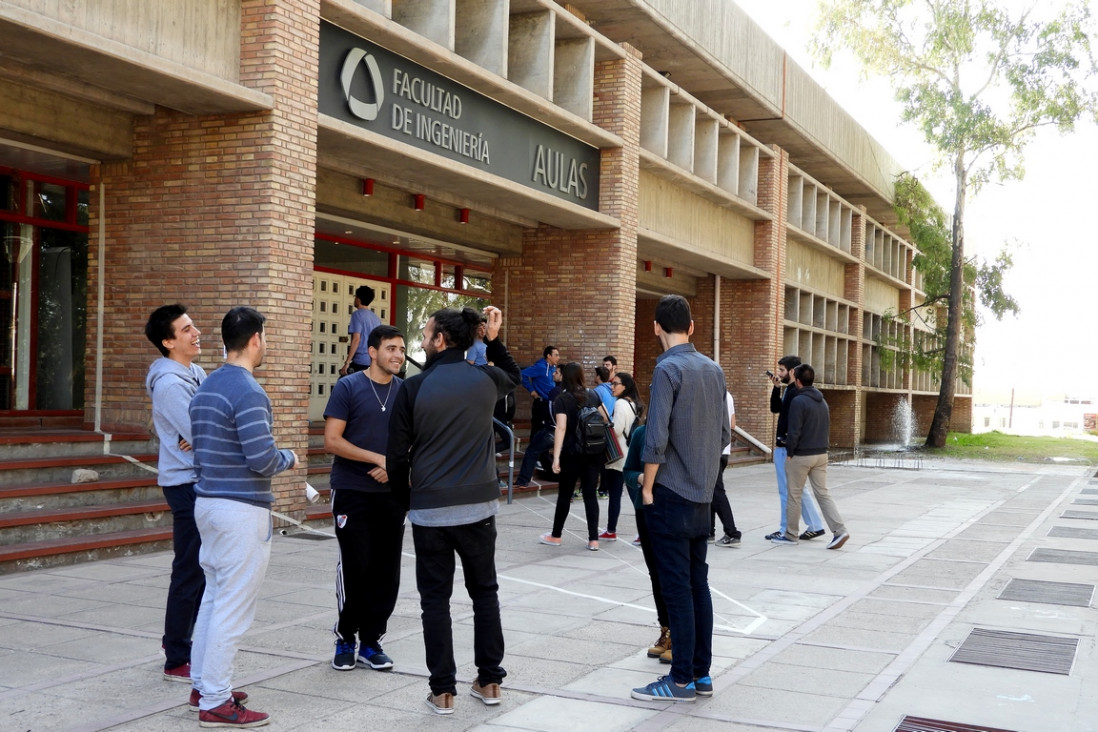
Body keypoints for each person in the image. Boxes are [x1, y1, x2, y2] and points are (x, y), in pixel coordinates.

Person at [387, 305, 520, 716]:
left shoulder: (412, 388)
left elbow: (396, 458)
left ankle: (443, 690)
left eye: (426, 334)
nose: (423, 341)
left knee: (435, 601)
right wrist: (493, 339)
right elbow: (514, 377)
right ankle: (491, 680)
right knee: (485, 594)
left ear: (440, 340)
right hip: (479, 507)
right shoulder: (486, 379)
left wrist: (406, 502)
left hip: (430, 510)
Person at [189, 307, 299, 728]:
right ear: (255, 339)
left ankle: (204, 684)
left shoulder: (207, 385)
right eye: (265, 339)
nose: (265, 346)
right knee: (232, 607)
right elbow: (262, 458)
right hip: (240, 510)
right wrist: (288, 457)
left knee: (214, 598)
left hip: (208, 504)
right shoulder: (249, 391)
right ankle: (215, 700)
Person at [631, 295, 728, 704]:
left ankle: (681, 679)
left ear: (656, 327)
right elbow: (725, 434)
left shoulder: (667, 369)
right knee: (697, 584)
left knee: (677, 589)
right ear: (691, 327)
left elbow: (655, 438)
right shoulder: (713, 369)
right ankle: (701, 674)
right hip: (702, 494)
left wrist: (648, 487)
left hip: (670, 493)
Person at [324, 324, 407, 672]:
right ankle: (346, 637)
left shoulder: (407, 392)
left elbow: (418, 441)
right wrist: (378, 459)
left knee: (386, 571)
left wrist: (396, 467)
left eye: (402, 349)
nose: (398, 356)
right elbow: (332, 440)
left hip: (393, 493)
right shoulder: (348, 386)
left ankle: (371, 642)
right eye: (391, 349)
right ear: (372, 352)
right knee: (356, 567)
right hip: (352, 491)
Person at [144, 304, 207, 683]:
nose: (195, 332)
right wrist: (198, 431)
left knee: (201, 569)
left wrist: (201, 429)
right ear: (168, 342)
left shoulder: (195, 372)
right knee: (190, 570)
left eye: (192, 325)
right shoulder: (169, 384)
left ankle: (183, 644)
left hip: (198, 478)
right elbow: (206, 431)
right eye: (185, 330)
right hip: (185, 484)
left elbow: (213, 418)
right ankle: (177, 654)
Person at [772, 364, 850, 550]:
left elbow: (794, 430)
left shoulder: (799, 401)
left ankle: (790, 535)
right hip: (821, 454)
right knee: (823, 494)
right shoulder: (822, 401)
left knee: (793, 495)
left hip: (801, 455)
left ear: (797, 380)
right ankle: (840, 530)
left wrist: (789, 454)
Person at [539, 362, 604, 551]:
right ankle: (593, 540)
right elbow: (605, 419)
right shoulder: (593, 395)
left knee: (565, 495)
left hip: (571, 453)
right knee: (590, 495)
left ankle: (556, 535)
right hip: (593, 452)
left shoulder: (563, 398)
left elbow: (561, 427)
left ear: (565, 377)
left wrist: (556, 457)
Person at [622, 423, 672, 662]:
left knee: (675, 573)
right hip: (647, 510)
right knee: (655, 573)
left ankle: (680, 635)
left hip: (676, 510)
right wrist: (643, 478)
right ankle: (666, 630)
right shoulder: (642, 433)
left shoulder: (683, 431)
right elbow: (628, 471)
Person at [766, 355, 826, 541]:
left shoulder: (796, 393)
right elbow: (776, 410)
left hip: (787, 449)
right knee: (798, 490)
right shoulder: (790, 390)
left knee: (787, 491)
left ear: (792, 372)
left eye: (782, 370)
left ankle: (786, 529)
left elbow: (793, 425)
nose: (779, 373)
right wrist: (776, 389)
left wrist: (789, 449)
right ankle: (815, 524)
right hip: (789, 448)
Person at [600, 372, 643, 541]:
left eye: (615, 384)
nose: (612, 387)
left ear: (624, 386)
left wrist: (606, 423)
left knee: (618, 495)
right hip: (630, 453)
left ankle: (612, 530)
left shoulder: (620, 404)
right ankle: (614, 530)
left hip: (618, 457)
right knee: (632, 494)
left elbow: (617, 429)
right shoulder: (634, 404)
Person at [513, 368, 562, 489]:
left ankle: (523, 481)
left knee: (532, 450)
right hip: (564, 430)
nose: (553, 374)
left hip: (553, 429)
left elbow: (551, 411)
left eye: (557, 372)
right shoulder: (571, 391)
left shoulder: (555, 391)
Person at [710, 390, 743, 548]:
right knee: (710, 491)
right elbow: (732, 424)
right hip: (723, 450)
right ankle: (708, 531)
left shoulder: (714, 394)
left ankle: (732, 533)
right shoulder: (727, 395)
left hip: (714, 450)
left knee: (716, 492)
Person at [340, 285, 382, 376]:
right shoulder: (376, 319)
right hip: (373, 361)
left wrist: (347, 363)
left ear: (358, 299)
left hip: (360, 361)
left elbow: (356, 339)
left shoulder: (357, 315)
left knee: (343, 383)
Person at [520, 345, 560, 438]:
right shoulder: (540, 367)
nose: (558, 357)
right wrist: (532, 390)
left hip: (550, 402)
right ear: (549, 356)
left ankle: (543, 452)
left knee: (547, 428)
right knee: (538, 429)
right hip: (541, 403)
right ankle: (533, 451)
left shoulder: (553, 368)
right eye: (556, 355)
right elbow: (522, 374)